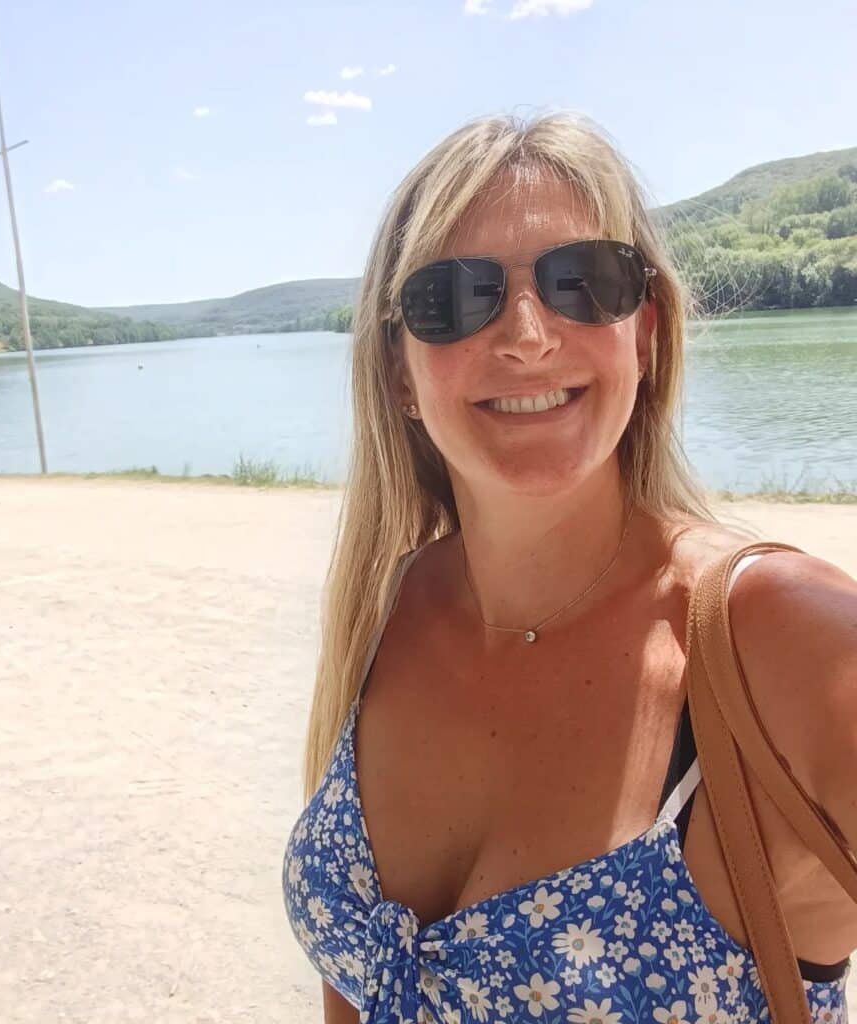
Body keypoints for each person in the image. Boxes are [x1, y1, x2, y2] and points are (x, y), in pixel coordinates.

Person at [281, 112, 857, 1024]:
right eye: (453, 296)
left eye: (583, 282)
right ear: (397, 372)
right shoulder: (389, 605)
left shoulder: (782, 641)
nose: (527, 335)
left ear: (645, 334)